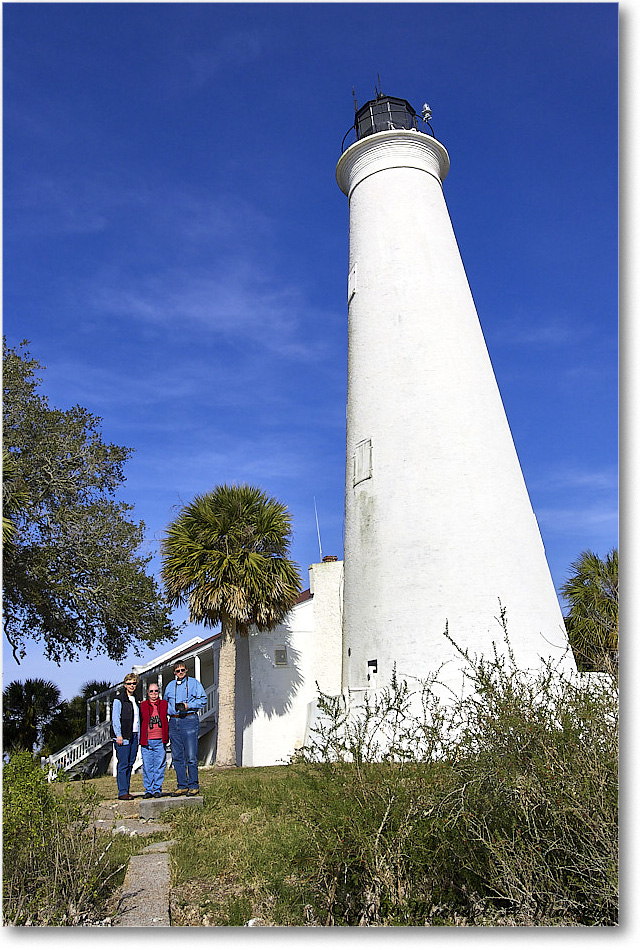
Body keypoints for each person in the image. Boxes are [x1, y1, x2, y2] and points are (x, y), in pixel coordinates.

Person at [164, 660, 207, 796]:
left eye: (182, 670)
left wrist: (188, 705)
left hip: (189, 719)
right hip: (174, 721)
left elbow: (203, 699)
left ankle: (193, 785)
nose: (180, 673)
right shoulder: (170, 686)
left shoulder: (194, 683)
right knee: (177, 756)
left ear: (186, 670)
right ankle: (182, 785)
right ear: (174, 672)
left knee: (191, 756)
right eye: (178, 671)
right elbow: (165, 703)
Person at [111, 672, 141, 801]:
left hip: (134, 735)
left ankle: (127, 790)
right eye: (129, 683)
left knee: (130, 763)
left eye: (134, 683)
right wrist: (119, 735)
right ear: (124, 685)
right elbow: (115, 718)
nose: (131, 686)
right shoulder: (119, 699)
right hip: (123, 736)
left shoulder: (136, 699)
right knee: (123, 763)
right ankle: (122, 791)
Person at [140, 682, 169, 799]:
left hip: (159, 740)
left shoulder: (164, 704)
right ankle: (148, 789)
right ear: (148, 693)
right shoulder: (143, 705)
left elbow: (171, 713)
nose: (154, 693)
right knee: (147, 766)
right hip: (146, 741)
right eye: (151, 691)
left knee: (159, 766)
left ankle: (157, 789)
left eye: (156, 691)